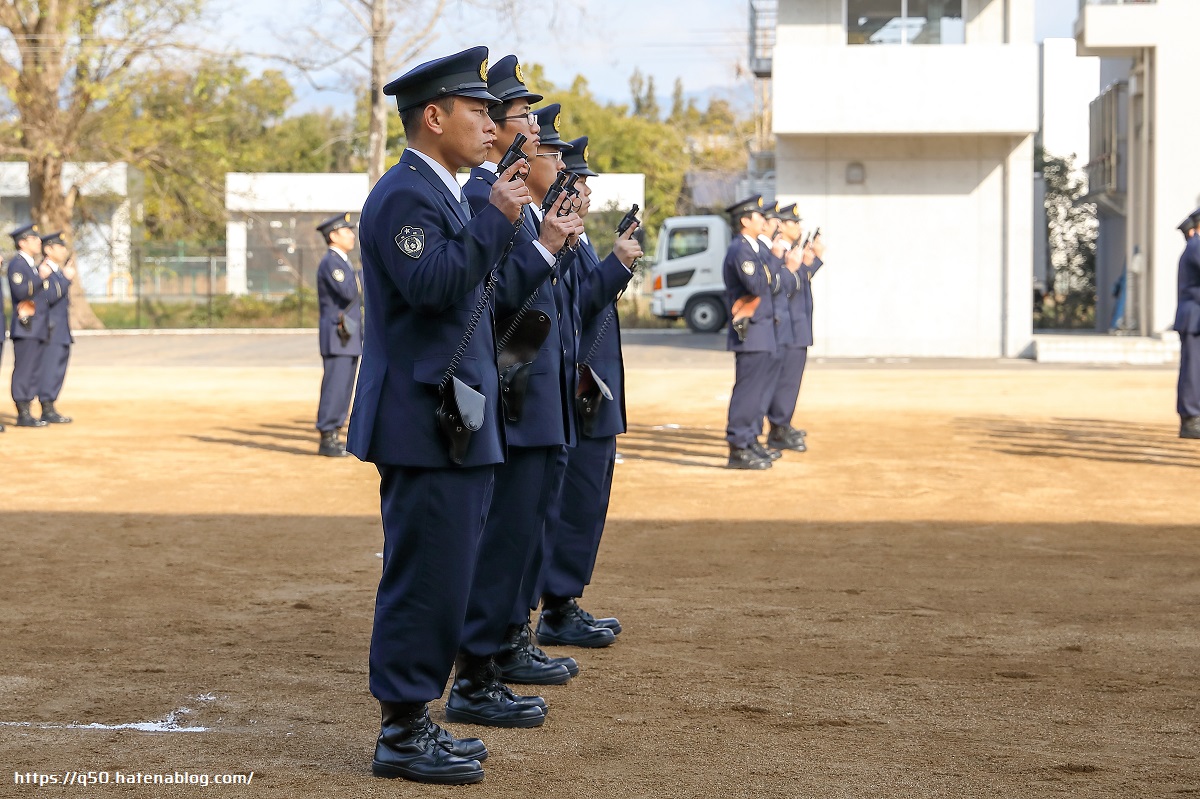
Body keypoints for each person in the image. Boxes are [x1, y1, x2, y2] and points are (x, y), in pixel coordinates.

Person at [343, 45, 532, 786]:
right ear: (434, 116)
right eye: (476, 110)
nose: (488, 125)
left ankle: (418, 717)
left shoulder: (444, 191)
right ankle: (401, 731)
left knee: (449, 574)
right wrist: (493, 221)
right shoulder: (403, 196)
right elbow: (431, 288)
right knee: (425, 575)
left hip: (453, 416)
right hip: (423, 422)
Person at [453, 61, 584, 718]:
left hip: (539, 390)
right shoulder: (487, 197)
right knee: (503, 536)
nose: (535, 128)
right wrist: (548, 246)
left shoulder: (513, 198)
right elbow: (500, 299)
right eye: (523, 118)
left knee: (528, 529)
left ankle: (508, 638)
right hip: (515, 392)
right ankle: (481, 664)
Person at [535, 134, 640, 644]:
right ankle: (555, 605)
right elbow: (573, 311)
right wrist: (616, 265)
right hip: (577, 387)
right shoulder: (553, 234)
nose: (586, 192)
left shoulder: (573, 235)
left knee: (587, 500)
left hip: (591, 388)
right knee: (571, 502)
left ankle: (565, 598)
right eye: (576, 180)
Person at [722, 196, 783, 469]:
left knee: (759, 391)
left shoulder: (755, 248)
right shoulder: (740, 250)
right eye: (758, 217)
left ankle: (749, 439)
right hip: (751, 329)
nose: (764, 221)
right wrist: (774, 263)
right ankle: (738, 446)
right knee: (748, 391)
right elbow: (757, 285)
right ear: (745, 221)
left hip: (763, 328)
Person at [766, 204, 824, 452]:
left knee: (791, 383)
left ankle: (783, 424)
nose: (799, 227)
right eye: (794, 223)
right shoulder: (777, 252)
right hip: (786, 326)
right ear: (782, 225)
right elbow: (783, 286)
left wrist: (814, 260)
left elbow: (799, 281)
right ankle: (778, 429)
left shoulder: (790, 251)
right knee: (784, 382)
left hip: (797, 325)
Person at [313, 212, 362, 457]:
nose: (351, 235)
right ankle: (327, 436)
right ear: (333, 235)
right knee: (335, 386)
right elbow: (348, 291)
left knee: (344, 388)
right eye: (346, 231)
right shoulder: (332, 262)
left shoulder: (341, 261)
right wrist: (367, 275)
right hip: (338, 335)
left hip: (347, 336)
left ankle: (333, 434)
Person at [7, 222, 50, 428]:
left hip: (35, 326)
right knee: (24, 369)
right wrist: (40, 278)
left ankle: (28, 409)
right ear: (23, 243)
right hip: (26, 326)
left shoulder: (31, 264)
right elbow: (21, 293)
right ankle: (23, 412)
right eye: (34, 239)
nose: (39, 241)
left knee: (33, 369)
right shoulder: (18, 264)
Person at [36, 231, 75, 424]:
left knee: (58, 367)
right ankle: (46, 406)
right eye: (60, 247)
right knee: (50, 368)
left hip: (60, 328)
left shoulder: (57, 271)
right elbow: (49, 296)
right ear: (48, 249)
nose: (63, 250)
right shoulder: (43, 270)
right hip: (50, 328)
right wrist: (66, 280)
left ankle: (51, 404)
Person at [1173, 208, 1200, 439]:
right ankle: (1191, 420)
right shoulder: (1197, 247)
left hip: (1194, 317)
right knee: (1192, 371)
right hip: (1194, 318)